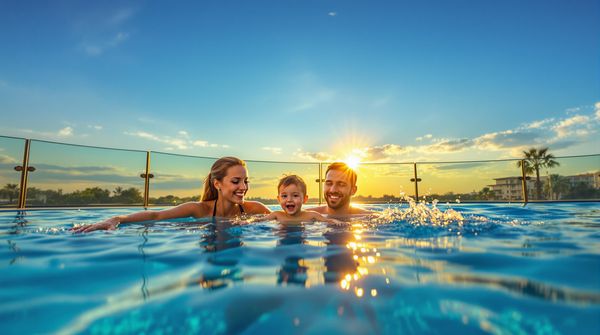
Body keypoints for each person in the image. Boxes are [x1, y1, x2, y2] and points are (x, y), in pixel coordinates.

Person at [71, 156, 271, 233]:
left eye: (245, 181)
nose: (243, 187)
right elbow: (156, 216)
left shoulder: (255, 209)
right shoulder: (198, 209)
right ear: (217, 183)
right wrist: (117, 218)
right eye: (236, 181)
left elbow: (289, 219)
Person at [263, 175, 343, 224]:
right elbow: (258, 221)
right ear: (279, 199)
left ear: (304, 199)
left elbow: (327, 221)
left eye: (295, 195)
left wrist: (336, 221)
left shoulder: (311, 215)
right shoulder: (276, 215)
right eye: (284, 196)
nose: (289, 200)